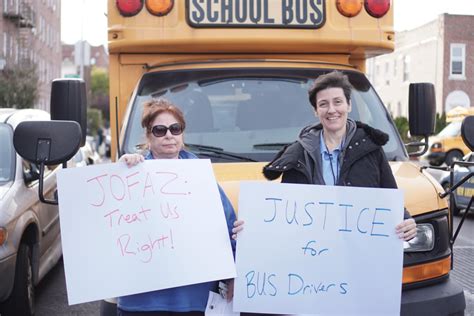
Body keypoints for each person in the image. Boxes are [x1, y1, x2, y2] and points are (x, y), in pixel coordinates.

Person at [232, 70, 416, 241]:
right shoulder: (298, 156)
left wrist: (407, 222)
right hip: (313, 254)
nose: (331, 110)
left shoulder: (371, 150)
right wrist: (253, 227)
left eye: (338, 102)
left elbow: (390, 199)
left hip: (360, 254)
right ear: (315, 110)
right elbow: (284, 213)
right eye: (323, 104)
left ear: (348, 105)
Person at [117, 98, 236, 316]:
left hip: (192, 299)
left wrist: (233, 275)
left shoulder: (202, 177)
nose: (169, 135)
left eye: (175, 128)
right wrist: (122, 170)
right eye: (160, 130)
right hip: (140, 300)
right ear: (148, 136)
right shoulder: (130, 174)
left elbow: (228, 226)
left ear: (182, 133)